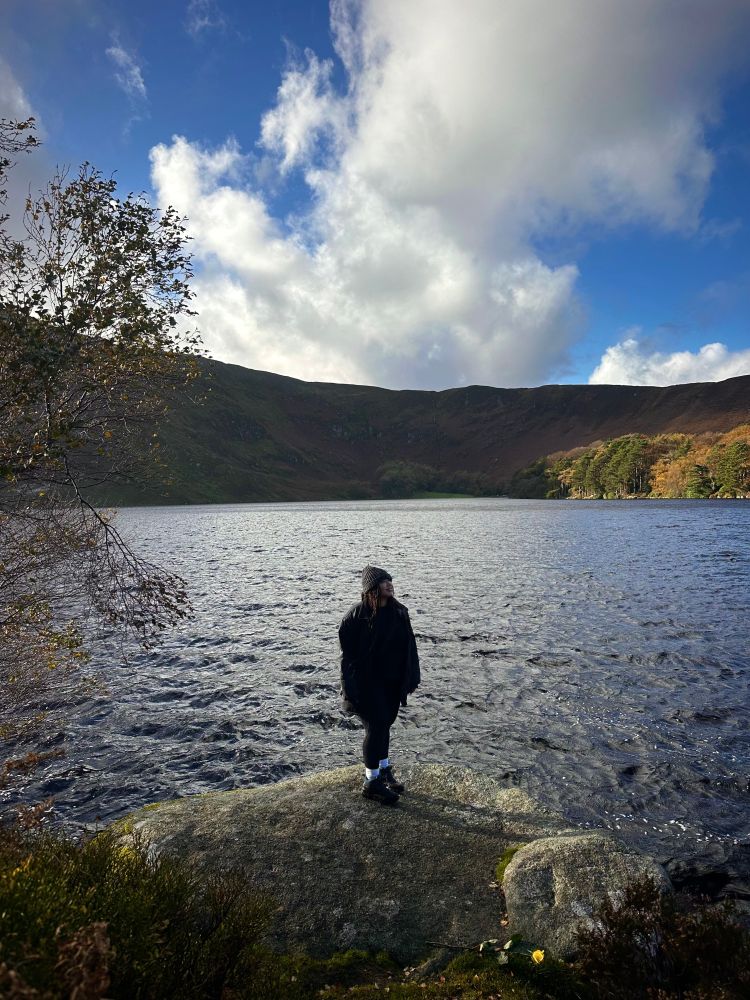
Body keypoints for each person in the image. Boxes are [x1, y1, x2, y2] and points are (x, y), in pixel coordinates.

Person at [338, 565, 420, 805]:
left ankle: (384, 770)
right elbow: (346, 657)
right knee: (375, 728)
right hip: (366, 684)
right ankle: (371, 782)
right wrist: (349, 689)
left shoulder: (398, 612)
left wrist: (411, 677)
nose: (389, 584)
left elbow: (410, 648)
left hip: (391, 682)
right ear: (372, 589)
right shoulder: (355, 616)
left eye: (390, 580)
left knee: (386, 724)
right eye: (383, 582)